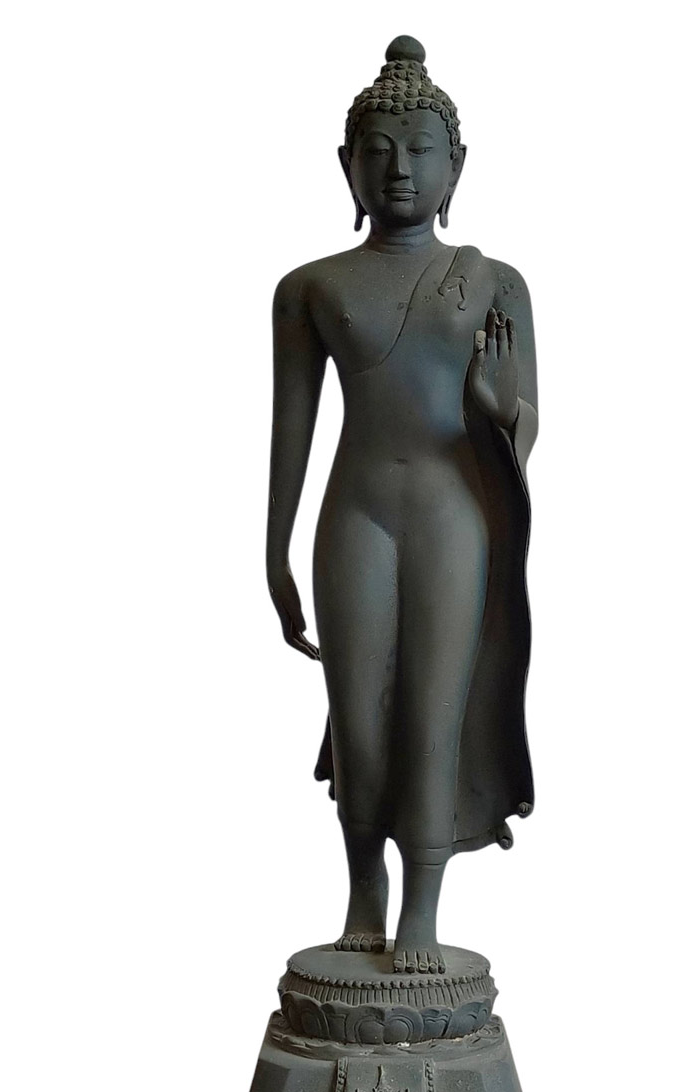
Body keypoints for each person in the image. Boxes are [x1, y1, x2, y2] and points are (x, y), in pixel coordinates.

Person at [266, 36, 538, 975]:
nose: (399, 170)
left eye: (421, 150)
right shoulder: (309, 290)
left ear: (457, 165)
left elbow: (526, 424)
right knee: (357, 714)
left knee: (433, 708)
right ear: (346, 163)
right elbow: (291, 430)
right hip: (354, 515)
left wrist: (500, 407)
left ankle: (422, 904)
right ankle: (364, 891)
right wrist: (273, 552)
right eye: (378, 151)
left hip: (451, 517)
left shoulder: (493, 283)